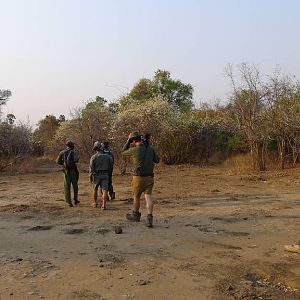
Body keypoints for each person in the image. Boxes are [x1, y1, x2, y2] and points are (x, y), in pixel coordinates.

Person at [122, 132, 160, 227]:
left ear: (134, 140)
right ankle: (149, 217)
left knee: (136, 197)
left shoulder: (134, 150)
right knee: (148, 197)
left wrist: (128, 141)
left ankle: (135, 215)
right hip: (149, 177)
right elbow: (157, 160)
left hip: (138, 178)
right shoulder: (150, 148)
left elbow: (123, 151)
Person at [89, 141, 113, 209]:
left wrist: (91, 177)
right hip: (105, 174)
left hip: (96, 175)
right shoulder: (108, 156)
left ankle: (95, 203)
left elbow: (91, 168)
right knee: (104, 190)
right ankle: (104, 205)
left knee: (95, 189)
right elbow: (111, 166)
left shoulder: (93, 157)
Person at [56, 140, 80, 207]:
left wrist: (64, 165)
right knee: (75, 186)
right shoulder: (73, 152)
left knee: (67, 187)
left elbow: (58, 161)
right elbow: (76, 160)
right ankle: (75, 200)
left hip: (65, 171)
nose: (74, 146)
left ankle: (69, 202)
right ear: (71, 145)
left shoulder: (62, 152)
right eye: (73, 145)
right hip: (73, 171)